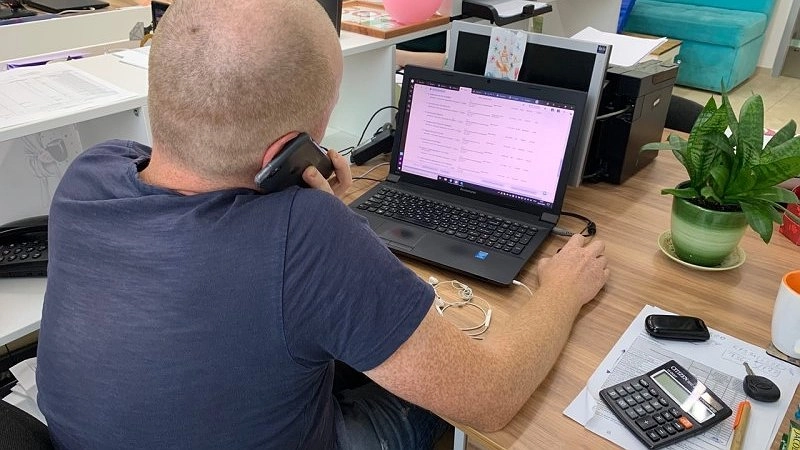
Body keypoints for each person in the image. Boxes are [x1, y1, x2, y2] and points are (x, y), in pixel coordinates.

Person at [35, 0, 610, 448]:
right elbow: (489, 397)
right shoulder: (304, 233)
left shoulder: (90, 175)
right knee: (436, 404)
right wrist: (561, 291)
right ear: (288, 154)